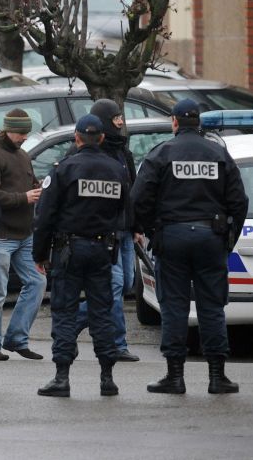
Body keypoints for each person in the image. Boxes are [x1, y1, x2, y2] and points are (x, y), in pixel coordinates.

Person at [131, 99, 248, 394]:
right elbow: (239, 201)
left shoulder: (161, 154)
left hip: (172, 237)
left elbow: (139, 199)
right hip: (211, 238)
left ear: (174, 122)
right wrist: (228, 238)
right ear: (199, 124)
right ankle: (217, 377)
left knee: (173, 306)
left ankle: (174, 376)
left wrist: (152, 230)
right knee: (212, 307)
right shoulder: (219, 153)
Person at [33, 114, 127, 397]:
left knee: (64, 311)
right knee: (102, 312)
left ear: (76, 138)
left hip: (68, 250)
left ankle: (62, 378)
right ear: (100, 138)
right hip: (102, 249)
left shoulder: (64, 169)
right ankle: (107, 378)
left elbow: (45, 215)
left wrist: (40, 253)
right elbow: (125, 209)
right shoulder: (116, 169)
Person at [0, 109, 47, 361]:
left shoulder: (23, 155)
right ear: (6, 130)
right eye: (20, 133)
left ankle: (17, 338)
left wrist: (37, 188)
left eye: (26, 133)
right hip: (0, 236)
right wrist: (24, 197)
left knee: (37, 283)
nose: (23, 137)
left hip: (24, 234)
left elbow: (25, 184)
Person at [72, 100, 141, 362]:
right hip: (105, 234)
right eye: (116, 118)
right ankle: (117, 344)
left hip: (124, 231)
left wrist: (136, 226)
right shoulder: (88, 154)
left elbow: (131, 194)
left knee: (123, 286)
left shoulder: (123, 152)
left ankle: (75, 319)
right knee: (113, 287)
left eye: (121, 117)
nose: (121, 122)